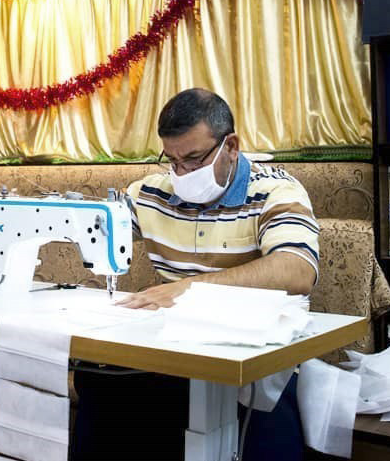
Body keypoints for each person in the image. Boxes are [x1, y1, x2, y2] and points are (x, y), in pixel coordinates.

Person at [71, 89, 318, 461]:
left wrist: (190, 289)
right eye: (172, 160)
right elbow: (96, 227)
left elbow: (297, 269)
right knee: (98, 384)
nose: (182, 173)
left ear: (231, 146)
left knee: (266, 440)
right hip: (176, 355)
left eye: (193, 159)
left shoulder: (275, 190)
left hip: (254, 363)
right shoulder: (151, 193)